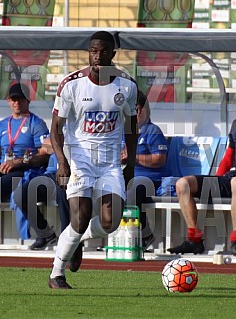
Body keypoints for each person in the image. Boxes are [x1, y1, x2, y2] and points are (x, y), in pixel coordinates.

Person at [48, 30, 138, 289]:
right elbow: (55, 128)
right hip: (79, 160)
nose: (98, 56)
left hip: (110, 163)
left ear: (113, 54)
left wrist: (130, 163)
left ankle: (77, 239)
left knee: (111, 222)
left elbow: (132, 127)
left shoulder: (126, 85)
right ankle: (56, 274)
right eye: (93, 50)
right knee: (81, 215)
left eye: (103, 51)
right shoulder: (72, 84)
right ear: (88, 52)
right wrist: (62, 162)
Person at [167, 82, 236, 257]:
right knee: (183, 184)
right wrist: (215, 182)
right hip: (234, 177)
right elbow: (229, 157)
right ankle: (194, 239)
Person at [125, 91, 169, 251]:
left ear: (140, 110)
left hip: (150, 179)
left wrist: (133, 157)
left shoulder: (152, 131)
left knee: (132, 189)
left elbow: (159, 159)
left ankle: (143, 235)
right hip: (126, 176)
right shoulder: (123, 133)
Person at [12, 138, 70, 250]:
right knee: (21, 194)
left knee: (62, 190)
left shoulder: (82, 126)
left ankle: (68, 239)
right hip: (51, 175)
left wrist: (54, 146)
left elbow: (51, 146)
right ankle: (46, 235)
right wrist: (55, 145)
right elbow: (46, 144)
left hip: (72, 173)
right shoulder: (60, 125)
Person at [0, 83, 50, 208]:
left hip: (23, 171)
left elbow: (45, 156)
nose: (17, 102)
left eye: (21, 99)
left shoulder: (36, 123)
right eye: (14, 99)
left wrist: (20, 162)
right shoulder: (3, 124)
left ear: (28, 100)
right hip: (3, 169)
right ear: (8, 101)